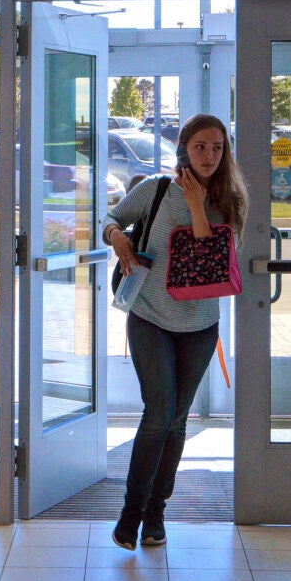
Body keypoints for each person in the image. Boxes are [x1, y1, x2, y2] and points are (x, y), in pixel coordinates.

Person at [101, 112, 245, 551]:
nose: (209, 155)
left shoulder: (231, 201)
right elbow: (108, 217)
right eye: (200, 147)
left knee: (177, 421)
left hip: (200, 325)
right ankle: (131, 514)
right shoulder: (156, 188)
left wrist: (199, 205)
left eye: (217, 148)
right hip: (149, 316)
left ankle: (156, 515)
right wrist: (118, 238)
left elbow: (210, 256)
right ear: (183, 147)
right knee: (159, 413)